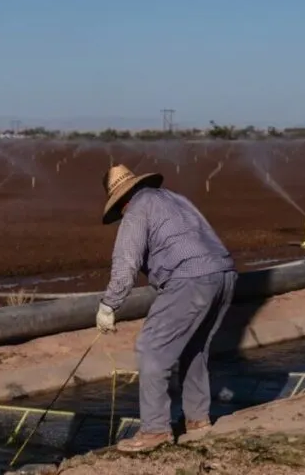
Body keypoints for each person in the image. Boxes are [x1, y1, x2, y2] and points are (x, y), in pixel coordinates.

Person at [95, 164, 237, 453]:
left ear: (121, 200)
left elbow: (126, 264)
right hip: (224, 275)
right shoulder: (175, 198)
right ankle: (197, 421)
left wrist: (109, 305)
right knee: (194, 350)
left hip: (190, 279)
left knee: (151, 348)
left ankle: (155, 430)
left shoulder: (135, 211)